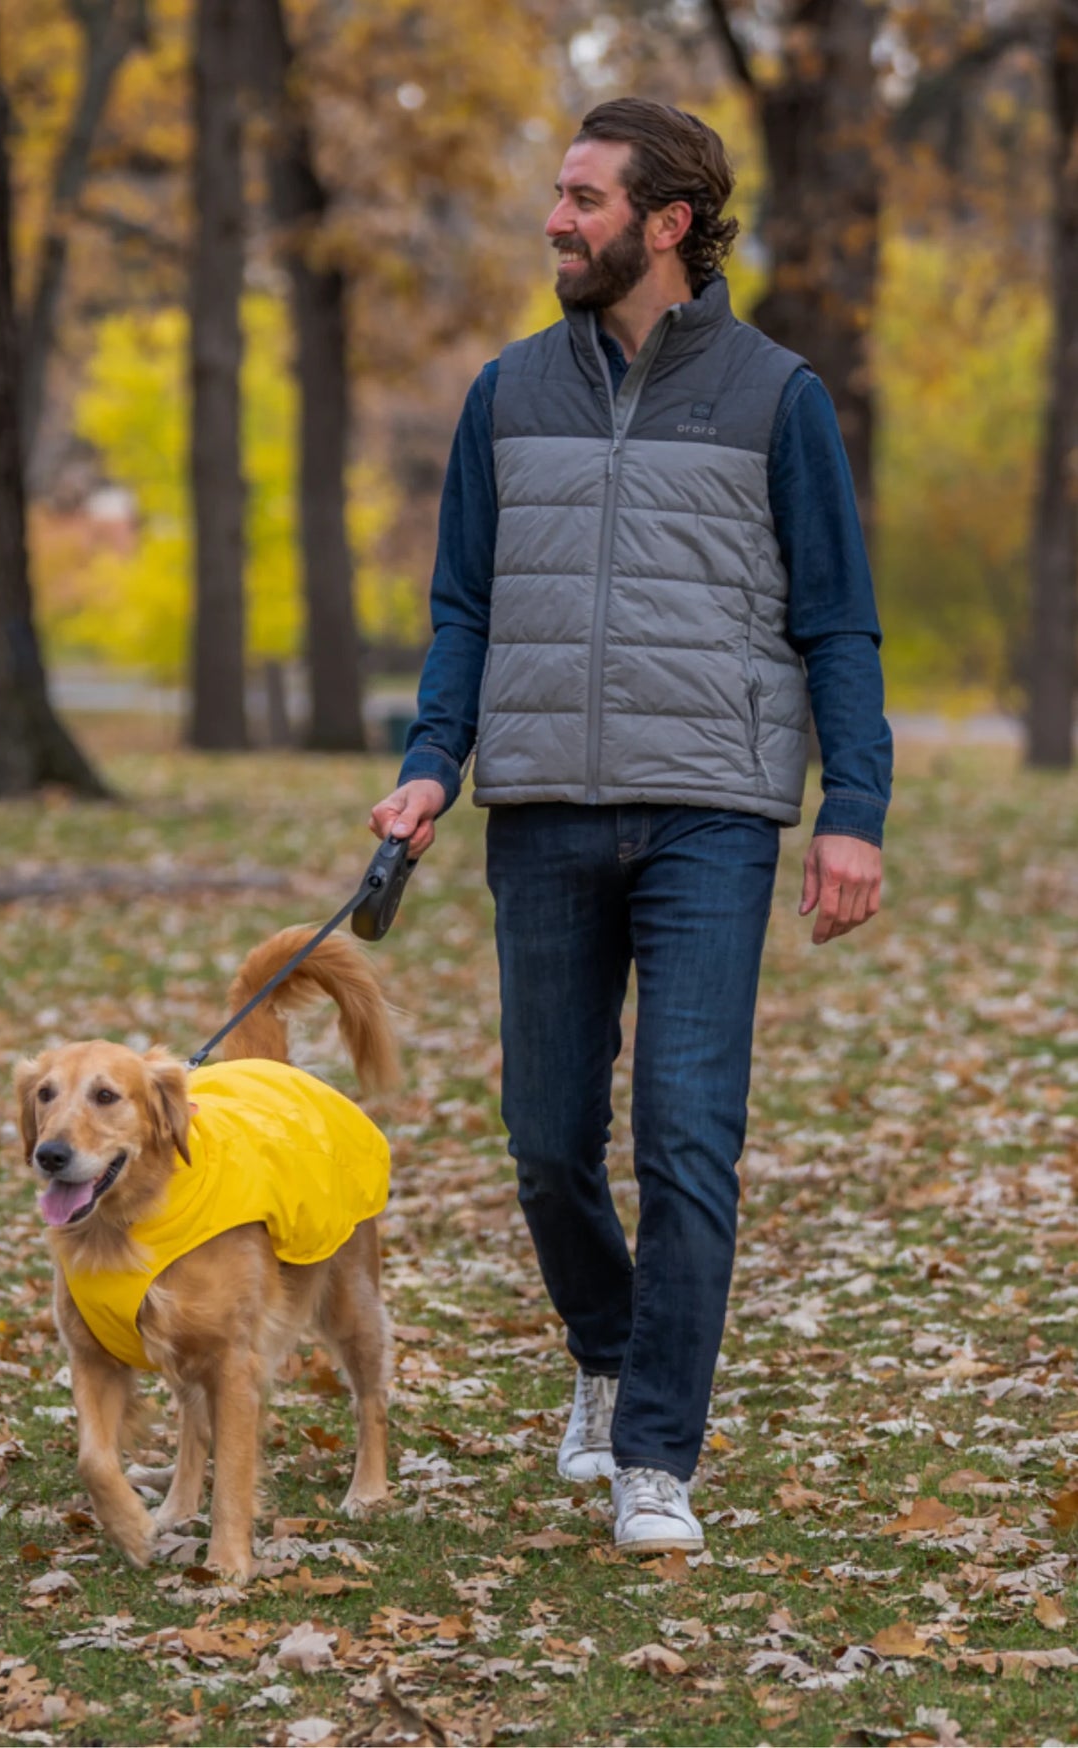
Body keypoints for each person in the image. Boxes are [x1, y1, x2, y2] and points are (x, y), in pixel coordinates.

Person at [368, 98, 891, 1556]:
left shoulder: (775, 396)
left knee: (686, 1138)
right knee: (544, 1141)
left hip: (711, 815)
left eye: (585, 200)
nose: (556, 220)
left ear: (665, 224)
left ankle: (655, 1450)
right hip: (538, 808)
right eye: (555, 194)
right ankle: (603, 1350)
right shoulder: (503, 392)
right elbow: (462, 605)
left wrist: (850, 810)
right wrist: (430, 764)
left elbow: (835, 620)